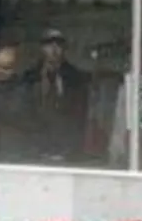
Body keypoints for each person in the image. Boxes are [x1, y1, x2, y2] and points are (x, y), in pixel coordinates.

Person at [23, 28, 91, 162]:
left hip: (67, 148)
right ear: (42, 48)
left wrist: (73, 146)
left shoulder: (76, 77)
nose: (54, 49)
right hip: (35, 146)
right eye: (49, 44)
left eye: (58, 45)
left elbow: (80, 114)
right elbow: (25, 110)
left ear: (64, 49)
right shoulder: (30, 77)